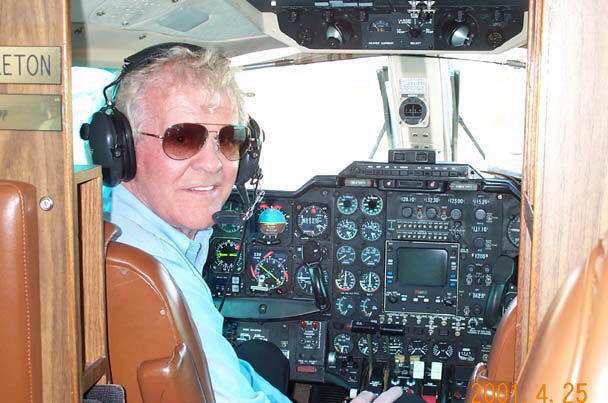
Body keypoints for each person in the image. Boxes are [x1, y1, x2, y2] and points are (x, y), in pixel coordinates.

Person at [106, 44, 403, 403]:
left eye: (229, 139)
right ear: (119, 147)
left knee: (263, 356)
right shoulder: (152, 271)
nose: (213, 164)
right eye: (182, 138)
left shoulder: (110, 221)